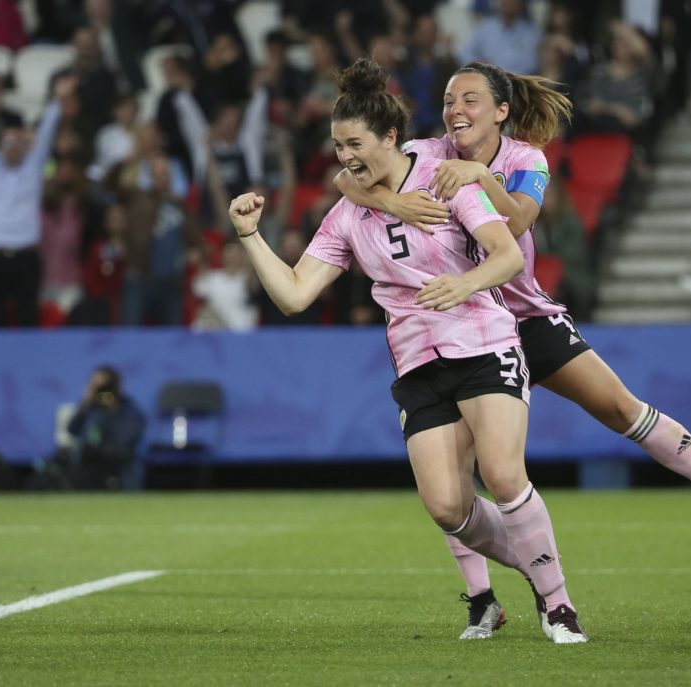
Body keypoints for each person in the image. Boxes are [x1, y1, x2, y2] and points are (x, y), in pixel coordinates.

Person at [335, 60, 691, 639]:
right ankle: (483, 599)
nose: (456, 110)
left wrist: (473, 174)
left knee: (620, 408)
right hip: (459, 323)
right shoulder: (426, 150)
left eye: (470, 100)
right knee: (454, 474)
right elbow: (349, 176)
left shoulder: (525, 160)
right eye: (449, 100)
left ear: (501, 111)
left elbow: (521, 217)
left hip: (523, 316)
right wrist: (394, 203)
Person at [229, 57, 588, 644]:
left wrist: (464, 285)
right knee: (448, 507)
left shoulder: (446, 175)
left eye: (354, 143)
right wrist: (250, 236)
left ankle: (559, 605)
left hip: (484, 340)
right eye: (337, 145)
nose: (344, 157)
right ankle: (534, 563)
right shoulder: (346, 216)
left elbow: (509, 254)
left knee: (501, 473)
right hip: (418, 363)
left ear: (389, 137)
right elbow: (294, 295)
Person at [0, 75, 75, 327]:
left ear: (24, 145)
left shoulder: (33, 168)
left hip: (26, 257)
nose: (12, 147)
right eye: (7, 142)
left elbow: (47, 132)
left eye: (17, 142)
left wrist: (58, 98)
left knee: (28, 320)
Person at [59, 365, 146, 490]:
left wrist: (113, 409)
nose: (103, 393)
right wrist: (85, 405)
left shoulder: (129, 411)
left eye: (106, 387)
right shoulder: (91, 410)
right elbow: (72, 431)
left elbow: (125, 442)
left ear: (116, 387)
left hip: (119, 465)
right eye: (96, 386)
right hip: (90, 465)